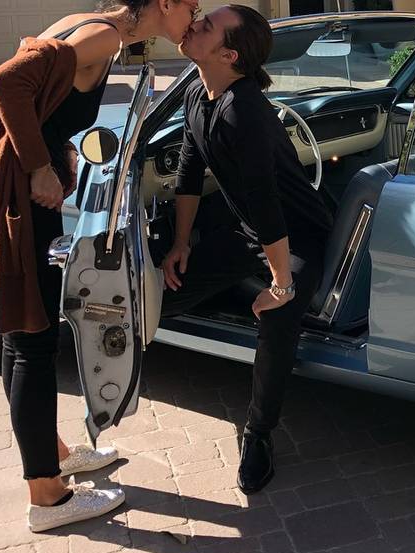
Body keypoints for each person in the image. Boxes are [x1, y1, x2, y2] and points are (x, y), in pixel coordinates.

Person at [0, 0, 199, 532]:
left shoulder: (89, 28)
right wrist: (41, 167)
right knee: (33, 342)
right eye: (192, 6)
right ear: (163, 4)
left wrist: (51, 155)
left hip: (13, 192)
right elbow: (6, 81)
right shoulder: (103, 37)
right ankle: (46, 496)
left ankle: (55, 454)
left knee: (25, 338)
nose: (194, 18)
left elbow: (38, 100)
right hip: (18, 198)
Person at [161, 5, 333, 494]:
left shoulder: (246, 111)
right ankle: (248, 292)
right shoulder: (198, 92)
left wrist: (281, 284)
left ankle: (257, 435)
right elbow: (189, 173)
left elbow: (268, 205)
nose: (194, 23)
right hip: (248, 229)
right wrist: (179, 242)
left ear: (228, 54)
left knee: (280, 318)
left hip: (296, 234)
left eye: (206, 25)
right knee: (165, 297)